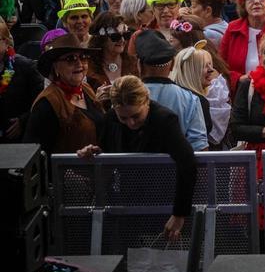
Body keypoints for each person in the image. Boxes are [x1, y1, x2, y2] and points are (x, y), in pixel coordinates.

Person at [76, 76, 197, 239]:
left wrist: (179, 213)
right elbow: (108, 151)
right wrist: (96, 152)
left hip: (163, 200)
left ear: (146, 101)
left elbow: (187, 162)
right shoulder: (111, 119)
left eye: (136, 116)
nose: (131, 123)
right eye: (123, 118)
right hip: (127, 202)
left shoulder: (164, 120)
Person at [24, 37, 104, 154]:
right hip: (65, 170)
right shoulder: (47, 102)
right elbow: (34, 153)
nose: (79, 64)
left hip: (96, 169)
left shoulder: (86, 89)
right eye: (70, 59)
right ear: (55, 67)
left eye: (83, 57)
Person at [0, 20, 43, 143]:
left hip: (18, 141)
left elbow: (40, 102)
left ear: (6, 42)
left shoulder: (26, 67)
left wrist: (23, 120)